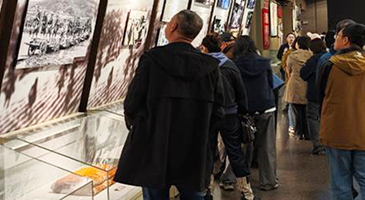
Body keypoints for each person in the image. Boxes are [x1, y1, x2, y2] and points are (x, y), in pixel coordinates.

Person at [115, 10, 224, 200]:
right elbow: (218, 110)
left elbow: (132, 103)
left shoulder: (153, 60)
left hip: (154, 145)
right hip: (194, 147)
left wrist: (141, 127)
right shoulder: (210, 67)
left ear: (173, 26)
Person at [318, 23, 365, 200]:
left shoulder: (329, 65)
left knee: (340, 183)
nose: (335, 39)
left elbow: (320, 96)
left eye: (338, 36)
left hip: (336, 131)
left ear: (346, 40)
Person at [200, 34, 253, 199]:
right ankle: (246, 192)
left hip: (208, 115)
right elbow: (241, 92)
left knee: (207, 152)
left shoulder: (202, 66)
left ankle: (206, 191)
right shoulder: (230, 66)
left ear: (205, 48)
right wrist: (243, 112)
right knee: (235, 151)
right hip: (229, 115)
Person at [234, 36, 278, 192]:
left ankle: (241, 181)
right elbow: (271, 83)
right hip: (266, 107)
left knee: (243, 145)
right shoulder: (264, 63)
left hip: (245, 110)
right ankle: (268, 181)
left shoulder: (235, 65)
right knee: (267, 147)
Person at [300, 37, 327, 155]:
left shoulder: (312, 60)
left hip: (314, 93)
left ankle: (318, 145)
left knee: (313, 118)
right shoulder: (330, 58)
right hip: (328, 93)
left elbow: (303, 74)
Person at [284, 36, 313, 140]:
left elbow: (288, 70)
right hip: (307, 84)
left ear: (298, 44)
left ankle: (298, 133)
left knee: (296, 111)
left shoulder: (292, 56)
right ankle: (308, 133)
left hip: (295, 85)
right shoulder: (311, 55)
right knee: (307, 111)